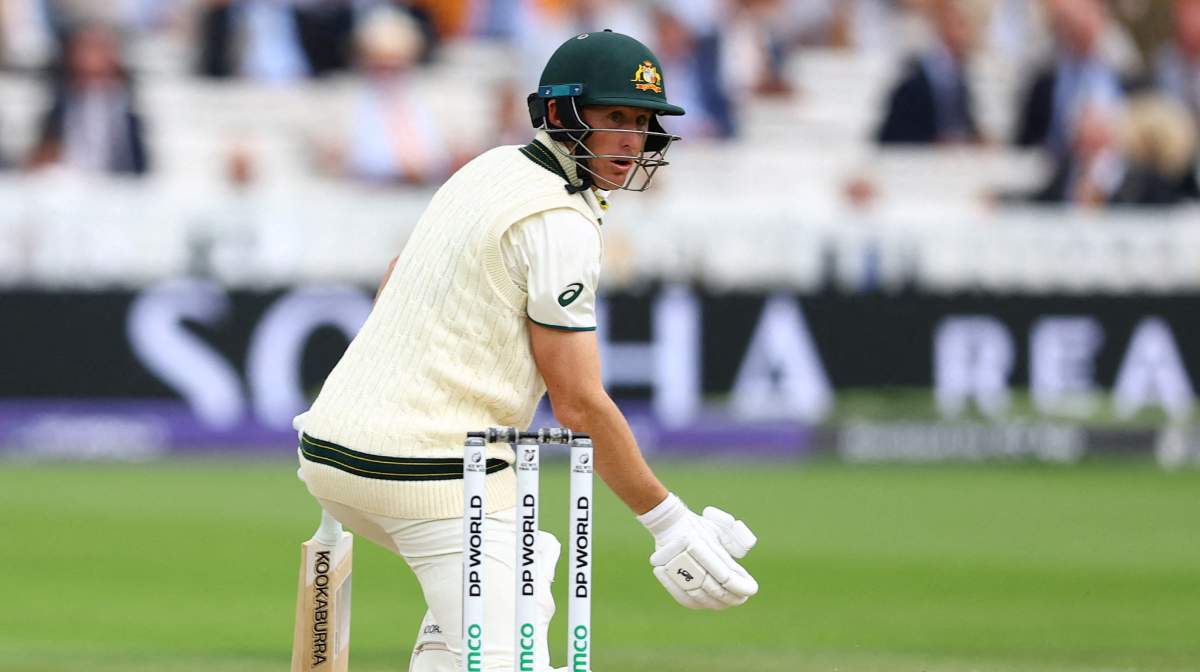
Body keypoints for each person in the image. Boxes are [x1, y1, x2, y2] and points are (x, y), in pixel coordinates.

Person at [292, 30, 760, 672]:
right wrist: (668, 521)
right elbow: (576, 403)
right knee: (516, 659)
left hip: (329, 449)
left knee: (528, 565)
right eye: (614, 116)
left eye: (643, 120)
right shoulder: (559, 220)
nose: (633, 138)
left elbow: (396, 274)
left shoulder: (488, 167)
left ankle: (453, 646)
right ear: (562, 115)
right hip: (427, 474)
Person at [876, 0, 981, 145]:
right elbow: (897, 131)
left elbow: (963, 121)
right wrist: (932, 142)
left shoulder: (959, 75)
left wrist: (975, 138)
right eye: (959, 25)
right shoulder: (915, 76)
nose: (964, 34)